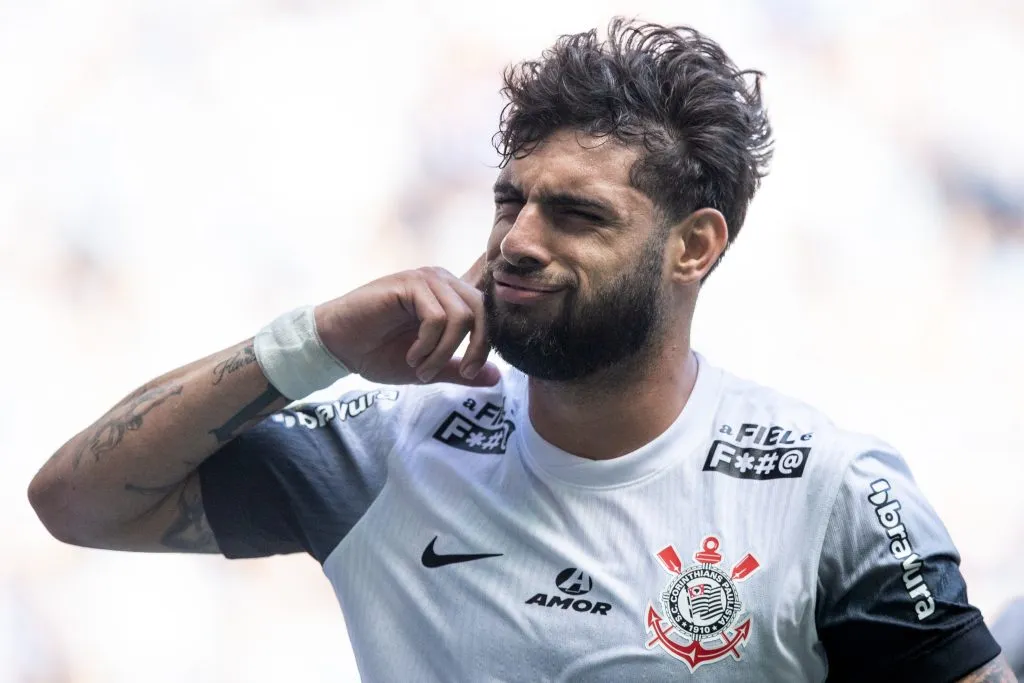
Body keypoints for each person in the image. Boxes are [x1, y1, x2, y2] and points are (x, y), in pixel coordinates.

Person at [28, 19, 1016, 682]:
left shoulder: (827, 492)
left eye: (577, 213)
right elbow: (75, 498)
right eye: (511, 200)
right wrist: (316, 340)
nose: (519, 239)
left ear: (694, 245)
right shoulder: (387, 454)